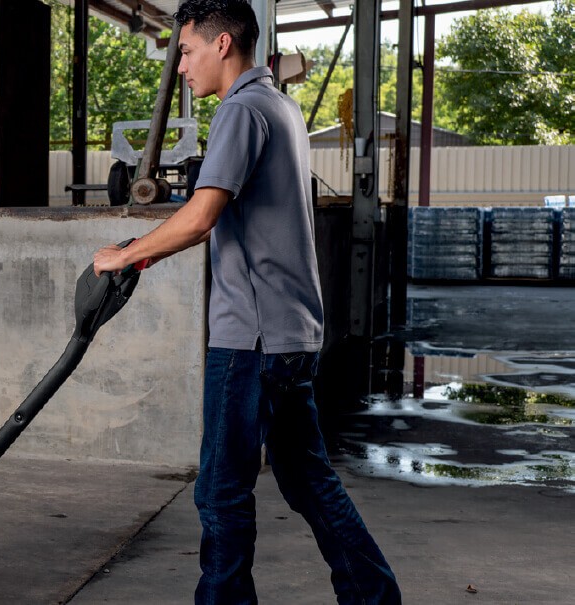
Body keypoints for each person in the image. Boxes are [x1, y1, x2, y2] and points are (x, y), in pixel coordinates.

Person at [92, 0, 402, 602]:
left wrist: (125, 253)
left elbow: (203, 215)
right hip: (294, 335)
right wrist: (149, 252)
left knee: (221, 489)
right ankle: (374, 596)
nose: (181, 66)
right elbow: (232, 218)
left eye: (186, 51)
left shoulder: (240, 110)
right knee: (309, 479)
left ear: (223, 45)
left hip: (250, 340)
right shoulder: (281, 107)